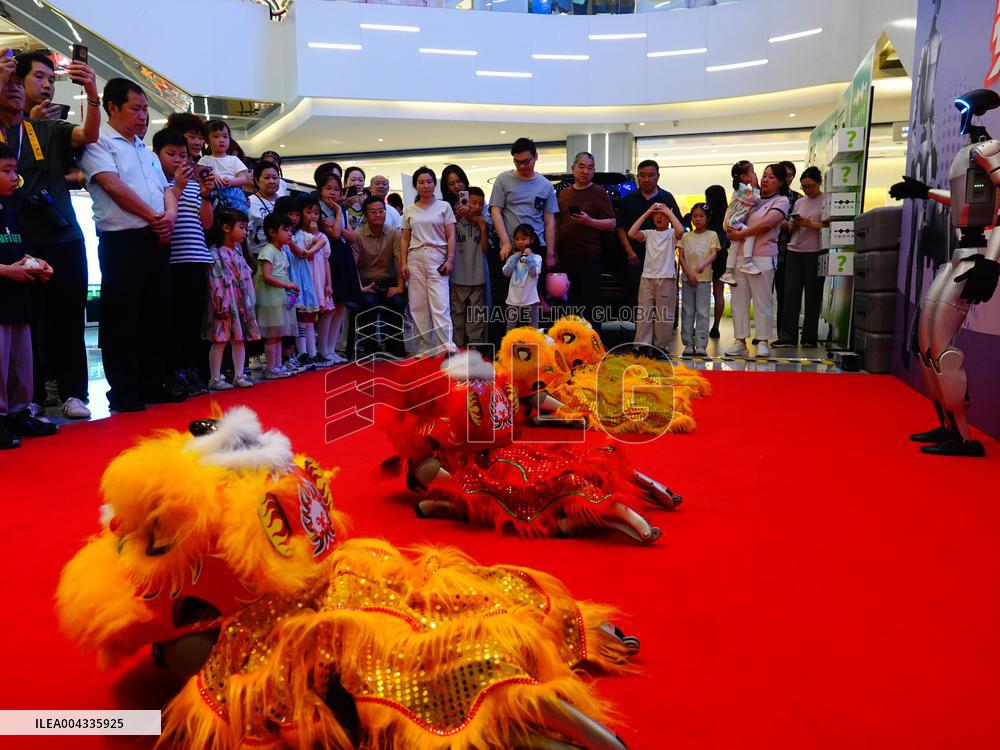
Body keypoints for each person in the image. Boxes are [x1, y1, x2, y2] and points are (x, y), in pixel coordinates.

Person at [2, 51, 100, 420]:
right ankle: (35, 396)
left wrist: (91, 91)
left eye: (51, 78)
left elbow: (89, 133)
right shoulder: (9, 128)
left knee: (69, 317)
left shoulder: (49, 128)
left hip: (63, 237)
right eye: (38, 77)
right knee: (29, 321)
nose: (47, 84)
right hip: (19, 239)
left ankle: (76, 393)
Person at [79, 77, 180, 412]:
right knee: (123, 317)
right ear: (112, 107)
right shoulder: (99, 143)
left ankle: (153, 382)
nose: (143, 116)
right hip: (122, 240)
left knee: (157, 314)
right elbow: (112, 186)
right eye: (135, 109)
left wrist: (168, 217)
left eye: (145, 109)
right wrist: (155, 217)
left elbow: (166, 188)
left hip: (156, 237)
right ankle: (124, 390)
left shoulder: (145, 150)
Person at [0, 141, 57, 448]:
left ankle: (17, 413)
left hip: (17, 300)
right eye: (6, 170)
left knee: (19, 362)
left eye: (14, 170)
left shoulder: (9, 210)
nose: (14, 177)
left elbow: (20, 249)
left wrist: (37, 264)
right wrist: (7, 270)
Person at [152, 128, 215, 397]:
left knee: (193, 321)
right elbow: (164, 213)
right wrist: (176, 186)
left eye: (183, 155)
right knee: (173, 321)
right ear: (157, 155)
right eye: (172, 154)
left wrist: (205, 194)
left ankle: (190, 369)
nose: (179, 160)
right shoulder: (158, 182)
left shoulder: (191, 184)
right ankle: (173, 371)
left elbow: (207, 223)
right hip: (173, 259)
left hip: (198, 257)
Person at [724, 163, 791, 359]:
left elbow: (767, 224)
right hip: (739, 256)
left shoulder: (781, 200)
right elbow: (733, 214)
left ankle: (763, 340)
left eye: (771, 177)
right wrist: (731, 230)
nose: (765, 179)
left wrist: (741, 234)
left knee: (763, 300)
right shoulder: (750, 196)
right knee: (738, 300)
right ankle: (740, 340)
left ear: (780, 181)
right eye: (763, 175)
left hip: (763, 256)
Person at [556, 151, 615, 326]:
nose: (585, 171)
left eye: (590, 168)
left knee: (592, 300)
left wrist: (590, 221)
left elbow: (612, 223)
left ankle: (594, 341)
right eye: (581, 166)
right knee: (570, 301)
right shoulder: (564, 194)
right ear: (573, 168)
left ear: (594, 171)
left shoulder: (599, 192)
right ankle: (571, 339)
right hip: (566, 254)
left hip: (590, 254)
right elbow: (557, 223)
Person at [401, 166, 456, 353]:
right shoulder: (409, 210)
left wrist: (450, 259)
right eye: (421, 182)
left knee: (440, 304)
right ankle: (424, 348)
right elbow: (404, 239)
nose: (426, 185)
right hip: (414, 257)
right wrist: (402, 263)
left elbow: (451, 236)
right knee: (418, 306)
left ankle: (446, 346)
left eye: (429, 181)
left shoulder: (444, 206)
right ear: (416, 185)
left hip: (437, 256)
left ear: (435, 184)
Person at [616, 159, 683, 314]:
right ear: (637, 177)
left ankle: (662, 331)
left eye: (651, 175)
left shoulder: (667, 198)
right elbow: (620, 227)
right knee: (638, 296)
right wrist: (629, 251)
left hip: (662, 258)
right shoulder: (628, 199)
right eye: (642, 175)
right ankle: (641, 331)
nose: (646, 179)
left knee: (664, 299)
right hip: (636, 256)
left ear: (658, 176)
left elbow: (678, 226)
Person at [205, 208, 259, 390]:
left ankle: (239, 374)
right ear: (227, 228)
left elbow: (246, 278)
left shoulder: (237, 252)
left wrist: (249, 301)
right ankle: (215, 378)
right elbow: (215, 280)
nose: (245, 232)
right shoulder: (216, 253)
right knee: (219, 340)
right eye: (242, 228)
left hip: (240, 303)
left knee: (239, 339)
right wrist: (220, 302)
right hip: (225, 303)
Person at [774, 166, 824, 348]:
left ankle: (810, 337)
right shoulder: (799, 202)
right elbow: (790, 227)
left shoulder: (827, 200)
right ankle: (788, 337)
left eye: (810, 186)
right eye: (804, 187)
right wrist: (794, 224)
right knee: (790, 295)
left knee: (813, 295)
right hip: (794, 250)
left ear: (819, 183)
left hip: (815, 251)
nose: (807, 190)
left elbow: (829, 226)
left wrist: (810, 223)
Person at [350, 195, 406, 358]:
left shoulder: (393, 233)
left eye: (381, 211)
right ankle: (369, 347)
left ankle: (394, 346)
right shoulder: (357, 235)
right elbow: (352, 266)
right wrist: (360, 288)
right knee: (368, 303)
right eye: (373, 212)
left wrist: (399, 287)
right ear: (365, 215)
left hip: (387, 282)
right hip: (365, 283)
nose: (378, 215)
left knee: (397, 301)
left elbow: (400, 261)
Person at [490, 138, 558, 269]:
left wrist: (550, 254)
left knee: (535, 288)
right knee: (510, 288)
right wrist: (505, 242)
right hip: (510, 247)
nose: (522, 166)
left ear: (536, 156)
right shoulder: (503, 179)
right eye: (517, 162)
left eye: (526, 162)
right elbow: (495, 211)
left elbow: (550, 222)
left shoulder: (546, 185)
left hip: (536, 247)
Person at [317, 171, 362, 363]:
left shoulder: (341, 209)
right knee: (329, 306)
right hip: (328, 258)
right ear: (320, 190)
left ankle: (333, 349)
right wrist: (337, 213)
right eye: (328, 189)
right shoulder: (319, 209)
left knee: (341, 305)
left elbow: (352, 238)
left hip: (344, 257)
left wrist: (338, 216)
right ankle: (323, 349)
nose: (333, 193)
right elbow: (335, 235)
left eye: (336, 189)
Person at [627, 202, 684, 354]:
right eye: (656, 214)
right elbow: (631, 233)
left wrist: (670, 213)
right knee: (644, 313)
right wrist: (646, 213)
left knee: (663, 315)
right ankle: (642, 344)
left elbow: (681, 231)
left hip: (666, 278)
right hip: (647, 278)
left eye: (663, 214)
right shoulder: (649, 233)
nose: (659, 217)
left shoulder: (672, 234)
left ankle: (660, 346)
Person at [254, 212, 298, 379]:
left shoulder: (282, 252)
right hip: (270, 297)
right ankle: (271, 368)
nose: (290, 234)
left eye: (291, 230)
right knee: (273, 335)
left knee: (278, 334)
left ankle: (277, 366)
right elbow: (267, 276)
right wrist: (287, 285)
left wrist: (289, 288)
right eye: (285, 230)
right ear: (272, 232)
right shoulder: (268, 250)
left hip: (279, 296)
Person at [283, 197, 322, 370]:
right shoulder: (285, 237)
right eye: (289, 214)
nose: (294, 218)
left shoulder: (301, 235)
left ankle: (311, 353)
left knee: (307, 316)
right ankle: (301, 353)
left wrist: (309, 252)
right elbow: (297, 253)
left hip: (303, 279)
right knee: (296, 316)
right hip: (290, 278)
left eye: (296, 214)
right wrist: (303, 252)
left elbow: (321, 241)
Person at [678, 202, 720, 356]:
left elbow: (713, 254)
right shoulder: (686, 236)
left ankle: (701, 344)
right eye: (695, 216)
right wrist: (688, 274)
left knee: (702, 311)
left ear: (708, 218)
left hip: (704, 279)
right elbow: (681, 256)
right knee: (687, 311)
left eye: (701, 216)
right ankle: (688, 343)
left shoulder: (712, 235)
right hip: (688, 279)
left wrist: (703, 265)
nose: (697, 219)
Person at [298, 194, 335, 367]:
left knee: (316, 314)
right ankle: (304, 353)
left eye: (316, 213)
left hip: (319, 279)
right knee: (305, 314)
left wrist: (328, 284)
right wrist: (311, 235)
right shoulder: (298, 235)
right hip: (305, 279)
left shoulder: (323, 236)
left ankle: (316, 351)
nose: (313, 216)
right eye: (309, 212)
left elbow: (326, 260)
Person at [450, 187, 489, 347]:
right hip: (458, 277)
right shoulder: (453, 221)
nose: (477, 207)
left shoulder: (482, 222)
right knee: (457, 316)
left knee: (476, 317)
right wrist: (458, 217)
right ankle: (458, 348)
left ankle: (475, 348)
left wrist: (483, 227)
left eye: (480, 204)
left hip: (477, 278)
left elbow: (485, 248)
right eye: (473, 202)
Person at [718, 160, 761, 284]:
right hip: (734, 221)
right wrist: (755, 186)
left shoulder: (740, 189)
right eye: (752, 172)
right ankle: (748, 262)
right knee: (750, 234)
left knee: (734, 246)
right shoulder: (743, 189)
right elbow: (756, 201)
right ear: (743, 176)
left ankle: (728, 272)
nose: (754, 174)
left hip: (730, 222)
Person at [199, 120, 250, 212]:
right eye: (216, 136)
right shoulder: (205, 159)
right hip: (214, 194)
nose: (221, 140)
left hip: (234, 193)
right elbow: (200, 173)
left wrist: (231, 181)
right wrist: (212, 175)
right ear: (207, 141)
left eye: (225, 136)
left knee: (238, 218)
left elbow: (243, 178)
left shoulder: (233, 159)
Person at [775, 160, 802, 332]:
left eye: (790, 175)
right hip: (763, 253)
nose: (787, 179)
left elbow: (797, 226)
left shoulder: (798, 198)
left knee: (784, 295)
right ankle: (761, 334)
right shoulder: (764, 196)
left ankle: (782, 333)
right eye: (783, 175)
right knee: (761, 296)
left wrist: (787, 224)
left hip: (787, 253)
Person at [502, 224, 543, 330]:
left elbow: (534, 273)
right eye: (517, 239)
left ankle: (535, 345)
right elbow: (506, 272)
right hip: (513, 298)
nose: (519, 242)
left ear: (532, 239)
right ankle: (509, 345)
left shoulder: (537, 258)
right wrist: (515, 257)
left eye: (523, 239)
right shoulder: (513, 258)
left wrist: (529, 257)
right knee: (511, 325)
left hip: (530, 298)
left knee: (532, 325)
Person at [704, 185, 731, 339]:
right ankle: (716, 326)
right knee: (718, 293)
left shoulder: (708, 215)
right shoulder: (728, 215)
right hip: (721, 257)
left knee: (702, 292)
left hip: (705, 256)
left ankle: (701, 324)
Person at [247, 160, 281, 260]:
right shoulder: (249, 202)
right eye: (267, 178)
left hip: (282, 255)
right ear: (257, 180)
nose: (272, 181)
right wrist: (250, 257)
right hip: (259, 255)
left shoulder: (283, 201)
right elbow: (245, 234)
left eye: (275, 178)